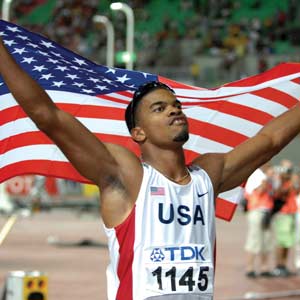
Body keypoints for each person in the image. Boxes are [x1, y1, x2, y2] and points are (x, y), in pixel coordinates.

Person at [1, 37, 300, 300]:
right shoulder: (126, 175)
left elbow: (270, 139)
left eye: (176, 105)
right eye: (159, 108)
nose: (174, 109)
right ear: (139, 133)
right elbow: (48, 116)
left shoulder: (208, 174)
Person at [244, 166, 274, 278]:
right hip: (256, 210)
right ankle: (250, 267)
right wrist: (266, 180)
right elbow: (258, 191)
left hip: (266, 211)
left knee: (266, 239)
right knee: (254, 239)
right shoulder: (256, 174)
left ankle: (264, 267)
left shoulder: (264, 176)